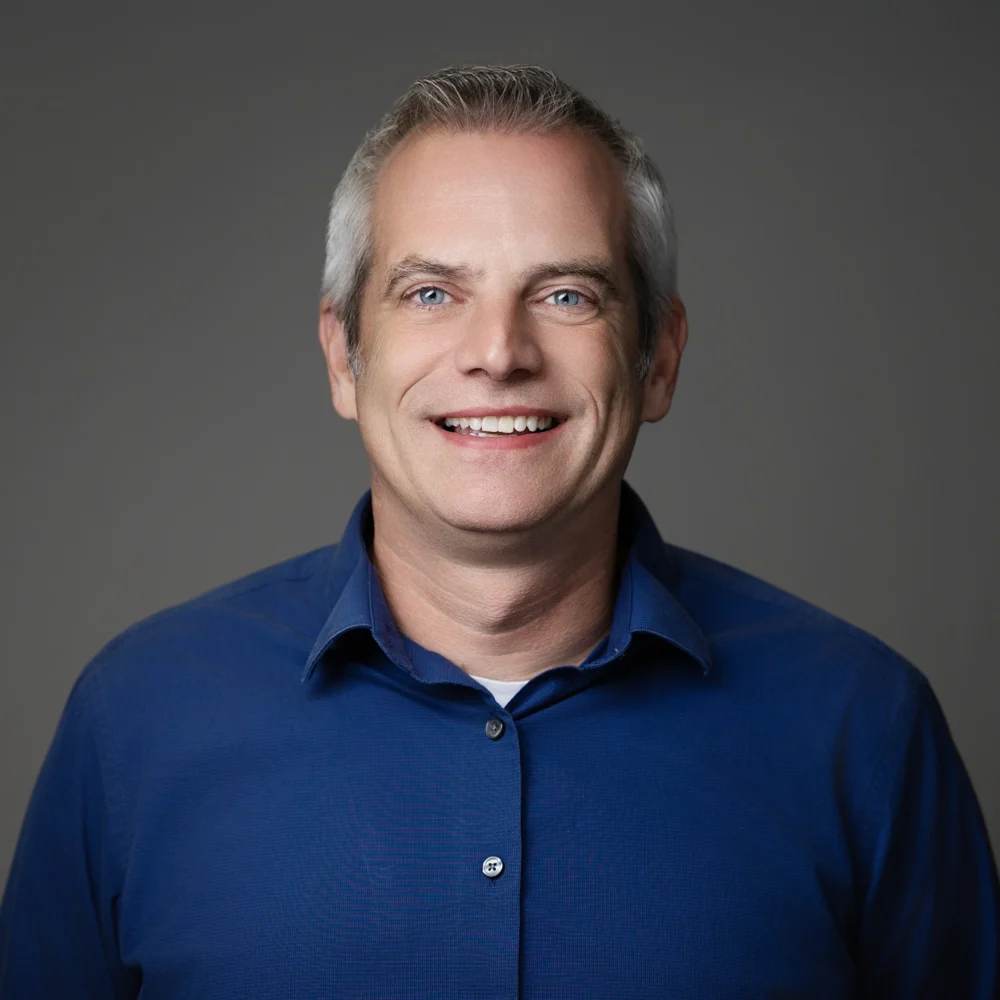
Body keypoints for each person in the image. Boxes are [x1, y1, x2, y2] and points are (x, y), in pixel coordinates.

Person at [1, 63, 997, 999]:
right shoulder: (137, 720)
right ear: (344, 356)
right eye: (432, 292)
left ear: (657, 359)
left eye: (566, 295)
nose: (498, 352)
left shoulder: (862, 727)